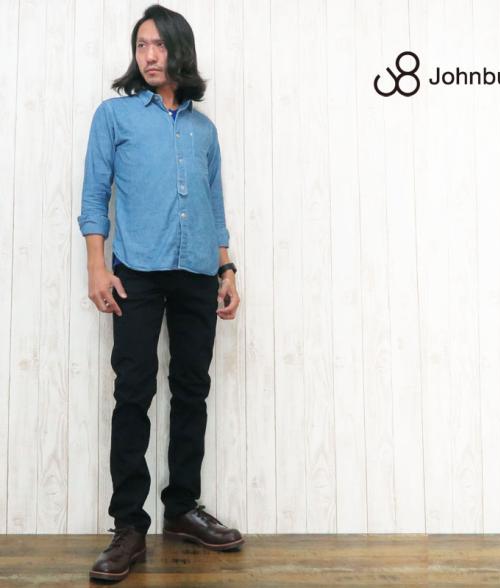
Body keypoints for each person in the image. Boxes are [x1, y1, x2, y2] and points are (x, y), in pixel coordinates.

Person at [77, 5, 243, 582]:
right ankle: (128, 525)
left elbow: (214, 204)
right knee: (134, 391)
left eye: (159, 45)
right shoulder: (114, 116)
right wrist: (97, 268)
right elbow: (95, 196)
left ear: (180, 52)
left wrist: (226, 269)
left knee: (192, 389)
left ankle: (181, 509)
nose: (149, 55)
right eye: (141, 45)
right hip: (137, 273)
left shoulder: (204, 130)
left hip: (197, 272)